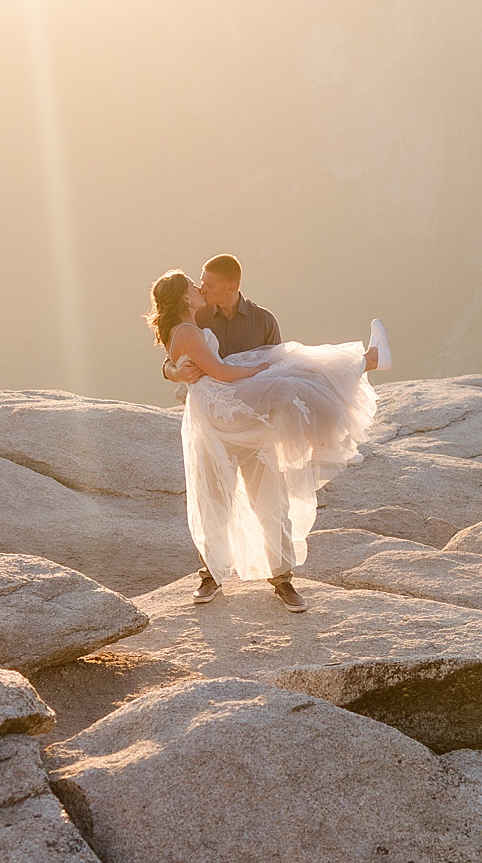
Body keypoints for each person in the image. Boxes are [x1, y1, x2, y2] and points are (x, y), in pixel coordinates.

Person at [147, 259, 384, 612]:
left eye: (207, 284)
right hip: (218, 421)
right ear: (186, 298)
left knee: (270, 498)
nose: (201, 289)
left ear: (231, 287)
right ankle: (210, 574)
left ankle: (283, 579)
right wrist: (173, 371)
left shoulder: (262, 321)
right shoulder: (200, 318)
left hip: (252, 423)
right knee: (213, 497)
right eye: (197, 286)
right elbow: (181, 354)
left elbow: (273, 356)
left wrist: (268, 374)